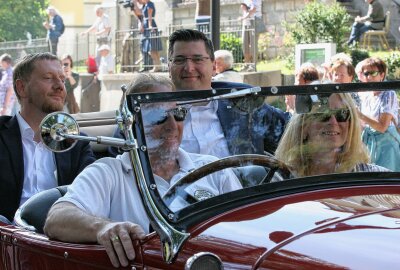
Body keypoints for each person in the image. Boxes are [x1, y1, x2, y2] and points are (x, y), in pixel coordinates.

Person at [44, 74, 242, 268]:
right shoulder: (109, 172)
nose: (172, 126)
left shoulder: (214, 169)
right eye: (158, 117)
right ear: (130, 125)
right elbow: (56, 218)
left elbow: (246, 225)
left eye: (178, 114)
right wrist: (104, 227)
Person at [0, 53, 96, 224]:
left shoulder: (76, 142)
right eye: (48, 78)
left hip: (60, 242)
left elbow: (93, 195)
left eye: (62, 79)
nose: (60, 86)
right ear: (22, 88)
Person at [168, 29, 288, 156]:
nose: (189, 68)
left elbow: (292, 129)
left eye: (197, 59)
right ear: (169, 68)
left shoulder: (241, 100)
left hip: (242, 175)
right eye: (180, 60)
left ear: (214, 67)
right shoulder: (154, 114)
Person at [275, 92, 389, 179]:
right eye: (323, 114)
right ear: (303, 127)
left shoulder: (373, 179)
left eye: (341, 114)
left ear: (350, 125)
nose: (333, 122)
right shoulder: (281, 179)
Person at [356, 57, 400, 171]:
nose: (369, 77)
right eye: (366, 73)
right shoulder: (365, 95)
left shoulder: (388, 93)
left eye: (374, 73)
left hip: (387, 146)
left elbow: (382, 126)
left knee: (386, 182)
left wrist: (360, 115)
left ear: (382, 75)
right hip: (368, 144)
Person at [238, 0, 266, 71]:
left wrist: (243, 17)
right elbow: (245, 9)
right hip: (246, 23)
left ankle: (253, 65)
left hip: (254, 22)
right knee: (245, 44)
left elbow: (253, 10)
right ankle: (246, 64)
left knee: (253, 45)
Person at [141, 0, 162, 72]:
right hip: (147, 26)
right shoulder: (146, 4)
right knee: (152, 48)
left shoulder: (149, 4)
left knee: (152, 48)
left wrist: (150, 26)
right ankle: (158, 66)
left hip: (150, 26)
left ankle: (156, 66)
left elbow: (150, 16)